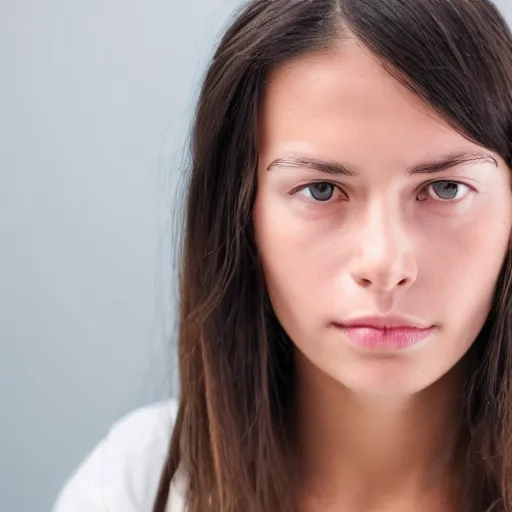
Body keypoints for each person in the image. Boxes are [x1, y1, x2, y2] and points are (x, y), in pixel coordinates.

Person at [53, 0, 512, 510]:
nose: (384, 264)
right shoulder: (132, 486)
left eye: (445, 188)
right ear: (240, 215)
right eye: (320, 190)